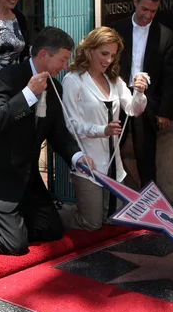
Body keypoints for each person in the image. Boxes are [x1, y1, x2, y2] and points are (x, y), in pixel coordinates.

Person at [0, 26, 94, 261]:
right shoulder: (9, 77)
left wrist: (77, 157)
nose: (64, 66)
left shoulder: (55, 87)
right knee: (15, 244)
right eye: (62, 60)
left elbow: (58, 132)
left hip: (26, 177)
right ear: (44, 55)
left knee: (51, 231)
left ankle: (0, 224)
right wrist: (27, 95)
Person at [59, 27, 148, 230]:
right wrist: (102, 130)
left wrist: (140, 92)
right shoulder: (73, 80)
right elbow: (70, 125)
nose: (108, 60)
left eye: (112, 55)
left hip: (114, 165)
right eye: (104, 53)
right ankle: (52, 213)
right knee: (91, 223)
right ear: (90, 50)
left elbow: (134, 110)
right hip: (89, 163)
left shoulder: (114, 80)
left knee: (111, 221)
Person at [109, 0, 173, 187]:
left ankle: (149, 206)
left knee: (146, 157)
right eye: (144, 9)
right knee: (110, 152)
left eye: (153, 11)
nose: (148, 15)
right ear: (135, 3)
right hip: (117, 98)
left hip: (146, 103)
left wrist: (165, 111)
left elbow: (169, 76)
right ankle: (107, 203)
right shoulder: (116, 29)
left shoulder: (164, 35)